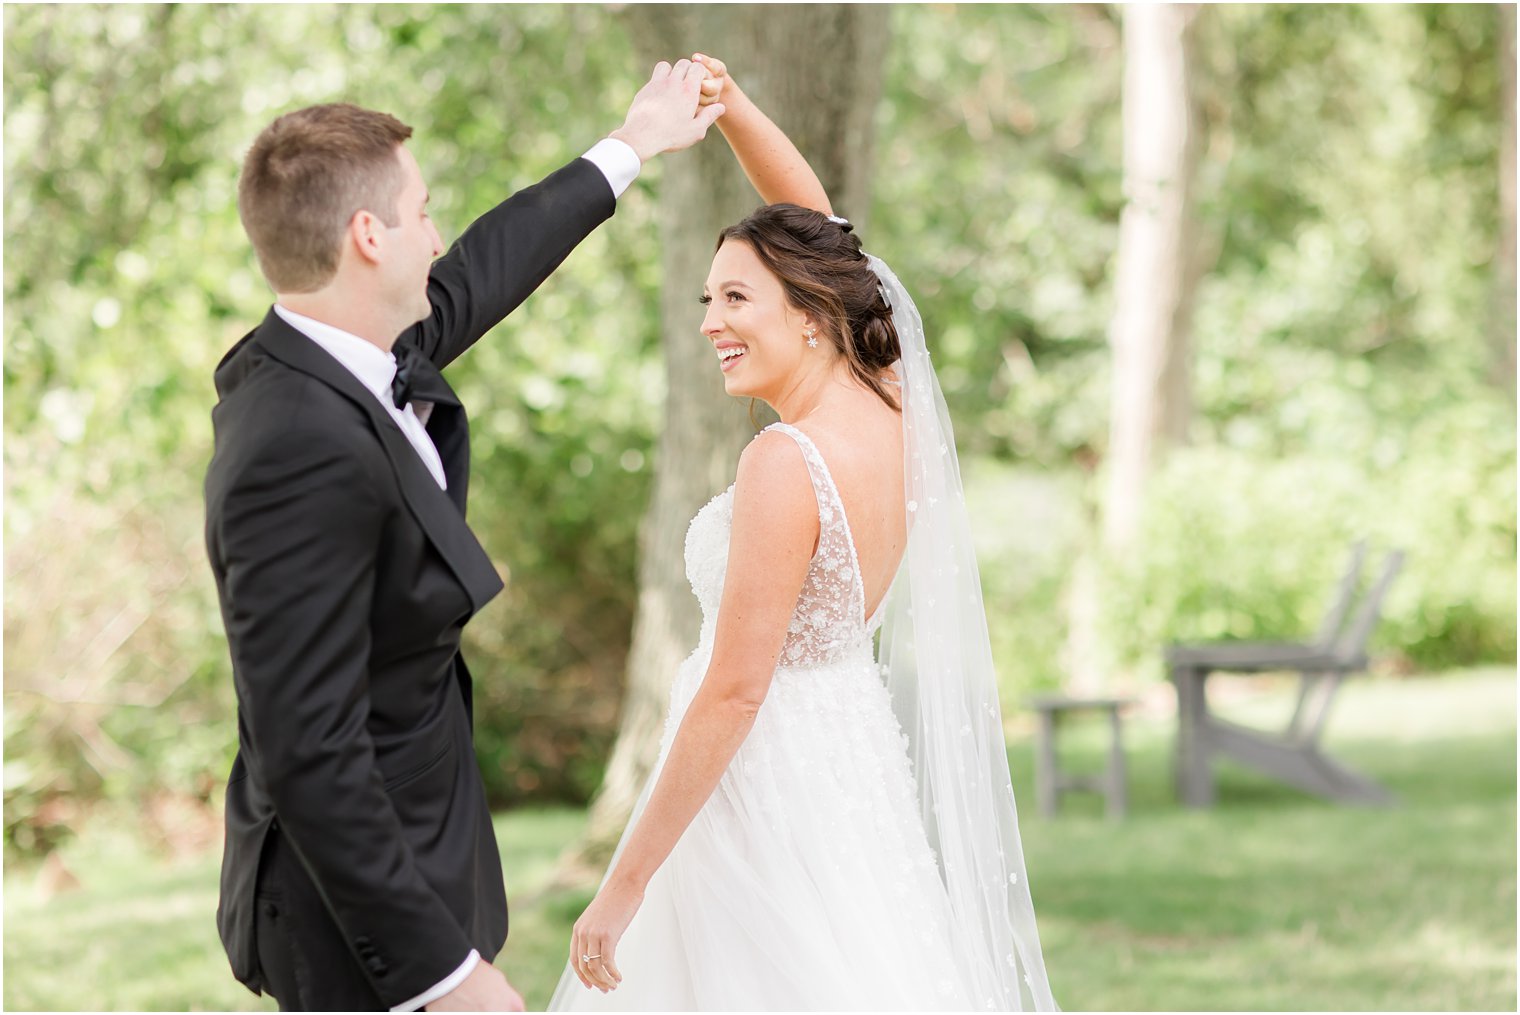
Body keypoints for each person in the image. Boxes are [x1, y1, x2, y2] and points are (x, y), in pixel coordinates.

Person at [203, 61, 725, 1012]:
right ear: (369, 236)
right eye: (423, 210)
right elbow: (307, 746)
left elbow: (483, 269)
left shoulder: (354, 352)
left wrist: (632, 143)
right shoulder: (293, 443)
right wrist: (446, 977)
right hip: (355, 922)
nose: (437, 234)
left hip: (424, 858)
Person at [549, 55, 1058, 1012]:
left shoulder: (785, 463)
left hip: (757, 786)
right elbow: (820, 231)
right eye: (709, 300)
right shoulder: (890, 399)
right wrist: (734, 107)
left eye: (735, 299)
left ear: (813, 316)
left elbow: (737, 688)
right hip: (846, 756)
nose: (711, 323)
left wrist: (626, 881)